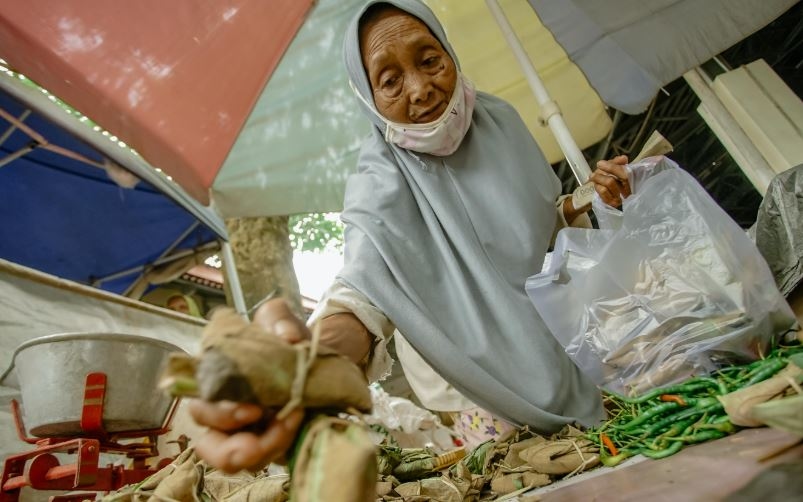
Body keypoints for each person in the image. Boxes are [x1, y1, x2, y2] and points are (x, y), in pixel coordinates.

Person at [190, 0, 632, 472]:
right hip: (482, 394)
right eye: (390, 79)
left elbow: (540, 222)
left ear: (450, 53)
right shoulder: (379, 176)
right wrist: (305, 365)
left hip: (574, 349)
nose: (421, 89)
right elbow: (364, 289)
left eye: (429, 60)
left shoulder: (500, 121)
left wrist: (589, 196)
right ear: (369, 97)